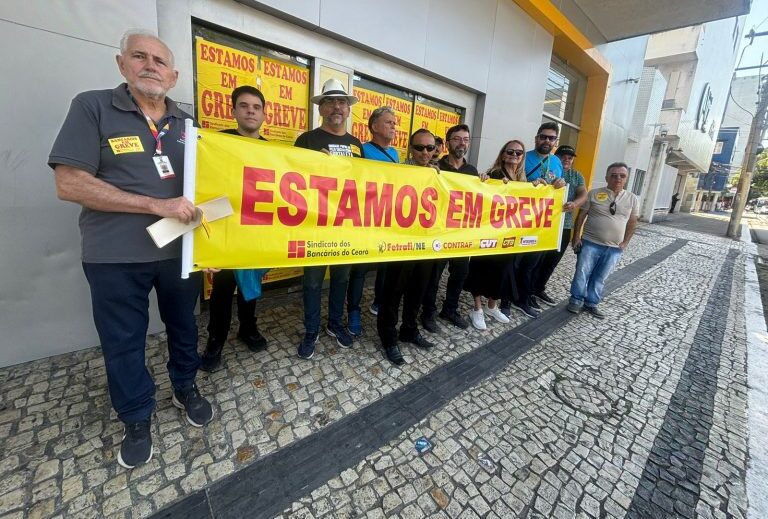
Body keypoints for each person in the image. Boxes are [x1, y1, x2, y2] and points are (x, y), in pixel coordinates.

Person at [48, 30, 213, 469]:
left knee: (184, 327)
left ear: (174, 75)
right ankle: (136, 415)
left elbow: (211, 191)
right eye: (140, 56)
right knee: (123, 341)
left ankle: (185, 386)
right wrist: (154, 204)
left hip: (179, 252)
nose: (150, 66)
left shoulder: (188, 125)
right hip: (113, 256)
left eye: (160, 61)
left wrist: (216, 244)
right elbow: (69, 182)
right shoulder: (93, 106)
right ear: (122, 64)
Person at [201, 85, 269, 372]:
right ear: (234, 112)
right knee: (222, 289)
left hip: (256, 230)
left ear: (264, 114)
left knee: (250, 285)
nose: (250, 110)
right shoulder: (219, 143)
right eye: (244, 106)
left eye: (256, 106)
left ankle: (247, 329)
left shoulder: (271, 150)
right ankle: (215, 340)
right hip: (226, 230)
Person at [294, 78, 363, 359]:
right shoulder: (306, 140)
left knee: (341, 278)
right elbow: (292, 181)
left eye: (342, 102)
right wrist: (314, 166)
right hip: (314, 225)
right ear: (321, 108)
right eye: (330, 101)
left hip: (345, 224)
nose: (337, 106)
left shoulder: (356, 144)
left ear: (348, 110)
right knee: (311, 281)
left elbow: (364, 182)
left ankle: (335, 323)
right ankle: (312, 329)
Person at [377, 129, 439, 364]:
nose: (425, 152)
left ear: (435, 150)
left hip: (427, 244)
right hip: (400, 245)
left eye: (430, 148)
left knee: (418, 291)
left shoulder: (439, 174)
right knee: (393, 294)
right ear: (410, 148)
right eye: (420, 147)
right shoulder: (399, 172)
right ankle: (389, 338)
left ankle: (409, 330)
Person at [466, 141, 531, 329]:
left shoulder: (522, 181)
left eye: (518, 152)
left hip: (509, 236)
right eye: (510, 151)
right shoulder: (494, 174)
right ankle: (477, 309)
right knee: (481, 269)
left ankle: (491, 307)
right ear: (503, 154)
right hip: (489, 234)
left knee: (503, 272)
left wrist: (538, 188)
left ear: (522, 157)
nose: (514, 155)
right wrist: (484, 181)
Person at [347, 106, 399, 334]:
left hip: (388, 220)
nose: (393, 127)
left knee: (386, 267)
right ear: (374, 126)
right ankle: (354, 310)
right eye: (389, 122)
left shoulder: (396, 154)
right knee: (360, 269)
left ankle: (378, 302)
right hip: (366, 220)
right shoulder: (362, 149)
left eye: (394, 123)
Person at [506, 122, 566, 318]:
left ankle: (523, 298)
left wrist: (560, 184)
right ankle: (507, 299)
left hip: (542, 224)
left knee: (532, 264)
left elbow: (559, 188)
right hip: (519, 221)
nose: (546, 141)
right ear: (536, 138)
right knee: (514, 263)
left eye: (551, 138)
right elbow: (512, 182)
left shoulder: (556, 163)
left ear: (555, 141)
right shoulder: (524, 157)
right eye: (543, 136)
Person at [420, 124, 477, 331]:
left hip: (461, 233)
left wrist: (486, 182)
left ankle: (450, 309)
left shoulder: (472, 171)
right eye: (457, 139)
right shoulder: (436, 167)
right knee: (433, 276)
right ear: (448, 142)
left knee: (460, 273)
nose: (462, 143)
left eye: (466, 139)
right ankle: (428, 313)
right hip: (439, 232)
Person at [568, 162, 639, 318]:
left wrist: (625, 242)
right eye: (613, 175)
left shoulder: (632, 199)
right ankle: (575, 300)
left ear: (626, 178)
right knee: (582, 272)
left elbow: (633, 222)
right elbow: (581, 216)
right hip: (589, 243)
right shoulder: (593, 194)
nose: (617, 178)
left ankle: (591, 303)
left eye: (622, 175)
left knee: (600, 276)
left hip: (614, 248)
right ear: (606, 177)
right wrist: (576, 237)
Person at [532, 144, 588, 306]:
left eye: (570, 158)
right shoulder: (549, 171)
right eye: (563, 156)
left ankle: (538, 288)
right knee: (537, 260)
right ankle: (527, 291)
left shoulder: (576, 176)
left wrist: (575, 204)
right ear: (556, 157)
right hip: (544, 224)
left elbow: (583, 194)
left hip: (565, 225)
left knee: (552, 261)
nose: (567, 160)